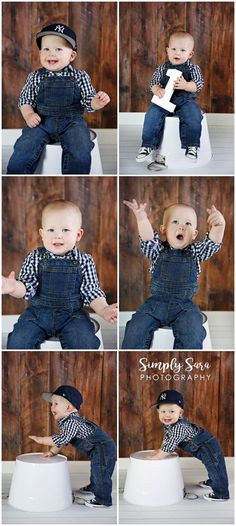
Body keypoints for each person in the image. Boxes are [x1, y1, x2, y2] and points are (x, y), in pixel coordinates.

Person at [2, 199, 117, 349]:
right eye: (51, 230)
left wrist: (103, 309)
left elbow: (91, 291)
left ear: (78, 234)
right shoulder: (35, 257)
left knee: (84, 341)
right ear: (42, 234)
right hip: (37, 315)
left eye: (65, 230)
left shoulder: (84, 260)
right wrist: (13, 287)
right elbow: (27, 288)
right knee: (19, 340)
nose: (58, 235)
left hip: (72, 316)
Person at [7, 23, 110, 174]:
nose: (51, 54)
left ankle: (75, 175)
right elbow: (25, 100)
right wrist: (28, 114)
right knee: (24, 147)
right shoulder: (35, 76)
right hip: (41, 123)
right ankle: (15, 174)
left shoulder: (80, 76)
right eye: (46, 49)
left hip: (72, 123)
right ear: (40, 52)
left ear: (72, 56)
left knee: (80, 149)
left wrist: (96, 102)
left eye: (58, 49)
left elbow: (88, 101)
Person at [122, 200, 225, 349]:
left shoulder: (195, 253)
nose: (181, 226)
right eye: (175, 222)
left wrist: (219, 226)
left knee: (192, 332)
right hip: (155, 306)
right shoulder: (157, 251)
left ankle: (184, 365)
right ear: (164, 230)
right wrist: (142, 219)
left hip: (184, 308)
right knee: (135, 328)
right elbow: (148, 239)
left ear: (194, 234)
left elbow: (212, 244)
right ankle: (132, 363)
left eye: (188, 224)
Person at [29, 385, 116, 508]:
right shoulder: (67, 421)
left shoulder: (71, 421)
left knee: (100, 472)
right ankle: (94, 487)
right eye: (51, 404)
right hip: (99, 448)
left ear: (69, 407)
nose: (51, 407)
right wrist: (53, 452)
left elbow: (62, 439)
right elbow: (64, 439)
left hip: (103, 447)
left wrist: (42, 440)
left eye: (55, 404)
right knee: (96, 470)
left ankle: (103, 500)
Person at [145, 389, 229, 502]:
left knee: (214, 465)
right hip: (199, 447)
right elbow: (167, 439)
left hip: (207, 445)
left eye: (171, 411)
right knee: (211, 466)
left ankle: (221, 493)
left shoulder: (179, 427)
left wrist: (156, 457)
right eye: (163, 411)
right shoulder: (168, 424)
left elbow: (169, 447)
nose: (167, 415)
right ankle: (214, 481)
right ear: (158, 412)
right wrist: (159, 450)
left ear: (180, 413)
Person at [136, 31, 204, 166]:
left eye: (182, 50)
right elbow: (153, 83)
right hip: (165, 100)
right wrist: (157, 89)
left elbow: (198, 84)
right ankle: (147, 145)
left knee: (193, 114)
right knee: (152, 113)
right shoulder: (162, 68)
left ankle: (191, 146)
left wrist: (186, 85)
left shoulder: (193, 68)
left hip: (185, 101)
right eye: (173, 49)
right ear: (167, 51)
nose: (177, 53)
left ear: (190, 54)